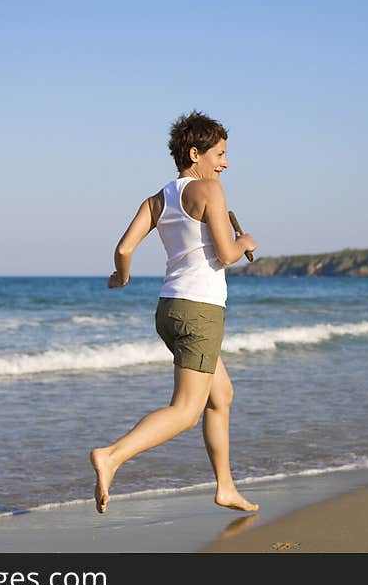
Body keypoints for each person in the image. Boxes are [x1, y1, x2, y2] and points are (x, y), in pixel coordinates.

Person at [89, 110, 259, 514]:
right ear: (196, 153)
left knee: (222, 395)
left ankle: (225, 487)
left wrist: (121, 277)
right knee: (186, 411)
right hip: (200, 311)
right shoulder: (209, 192)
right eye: (220, 154)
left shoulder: (158, 198)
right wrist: (245, 240)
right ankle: (111, 455)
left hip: (169, 310)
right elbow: (226, 253)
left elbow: (125, 249)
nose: (225, 163)